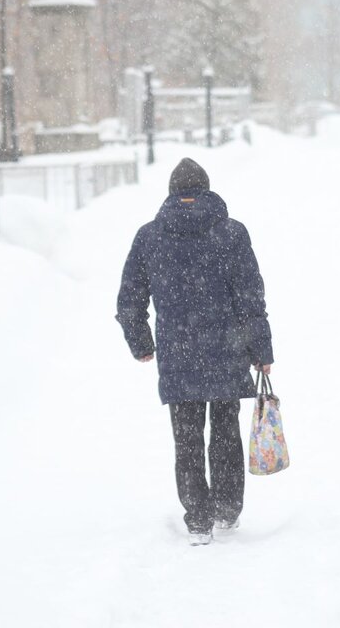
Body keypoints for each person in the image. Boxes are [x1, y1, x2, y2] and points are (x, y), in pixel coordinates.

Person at [116, 158, 275, 546]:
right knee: (224, 432)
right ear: (206, 189)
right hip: (226, 350)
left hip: (178, 352)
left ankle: (199, 520)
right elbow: (251, 297)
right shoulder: (232, 233)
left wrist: (141, 344)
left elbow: (130, 300)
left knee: (186, 438)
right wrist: (261, 348)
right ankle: (226, 508)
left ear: (172, 192)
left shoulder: (150, 236)